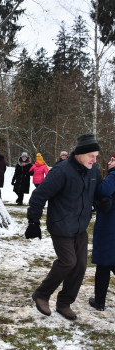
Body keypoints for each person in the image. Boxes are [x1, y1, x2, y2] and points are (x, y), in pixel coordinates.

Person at [26, 134, 102, 321]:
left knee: (81, 266)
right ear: (80, 154)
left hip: (80, 227)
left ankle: (64, 303)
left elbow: (98, 193)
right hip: (61, 225)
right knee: (68, 262)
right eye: (92, 155)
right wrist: (33, 222)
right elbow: (38, 196)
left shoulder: (93, 170)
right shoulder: (61, 171)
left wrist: (104, 202)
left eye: (96, 156)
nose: (95, 159)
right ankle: (42, 294)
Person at [89, 153, 115, 311]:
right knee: (109, 262)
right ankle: (99, 300)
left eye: (113, 160)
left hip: (109, 226)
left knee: (104, 264)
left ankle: (99, 301)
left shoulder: (114, 175)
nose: (110, 162)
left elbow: (103, 190)